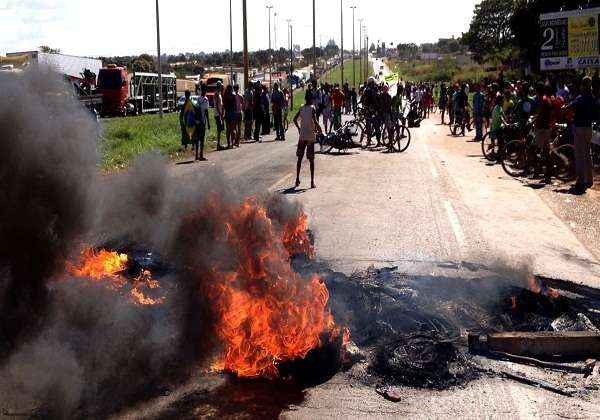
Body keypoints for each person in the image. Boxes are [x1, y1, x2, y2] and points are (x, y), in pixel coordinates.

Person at [565, 76, 597, 194]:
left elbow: (570, 107)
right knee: (587, 154)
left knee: (579, 155)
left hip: (579, 128)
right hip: (589, 128)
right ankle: (590, 179)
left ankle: (581, 181)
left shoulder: (581, 97)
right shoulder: (592, 97)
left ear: (582, 85)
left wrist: (564, 108)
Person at [293, 90, 321, 189]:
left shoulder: (301, 108)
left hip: (302, 136)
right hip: (310, 137)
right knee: (311, 160)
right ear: (311, 99)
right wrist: (320, 130)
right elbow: (315, 121)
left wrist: (299, 129)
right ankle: (312, 182)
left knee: (300, 158)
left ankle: (297, 179)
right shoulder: (312, 108)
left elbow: (294, 119)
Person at [194, 84, 211, 161]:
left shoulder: (198, 99)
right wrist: (208, 122)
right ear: (206, 90)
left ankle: (196, 155)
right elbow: (206, 112)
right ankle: (201, 155)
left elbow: (196, 109)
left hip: (197, 122)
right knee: (202, 139)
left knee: (197, 139)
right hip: (202, 122)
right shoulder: (206, 99)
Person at [223, 85, 237, 149]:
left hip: (227, 114)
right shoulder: (233, 96)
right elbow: (235, 106)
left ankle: (229, 143)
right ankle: (232, 143)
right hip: (232, 114)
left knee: (228, 130)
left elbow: (224, 106)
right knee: (232, 129)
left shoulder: (225, 96)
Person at [214, 81, 225, 150]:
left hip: (220, 114)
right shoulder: (216, 94)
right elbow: (217, 106)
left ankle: (219, 144)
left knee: (220, 130)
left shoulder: (219, 94)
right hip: (218, 114)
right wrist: (220, 114)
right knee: (219, 129)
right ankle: (218, 145)